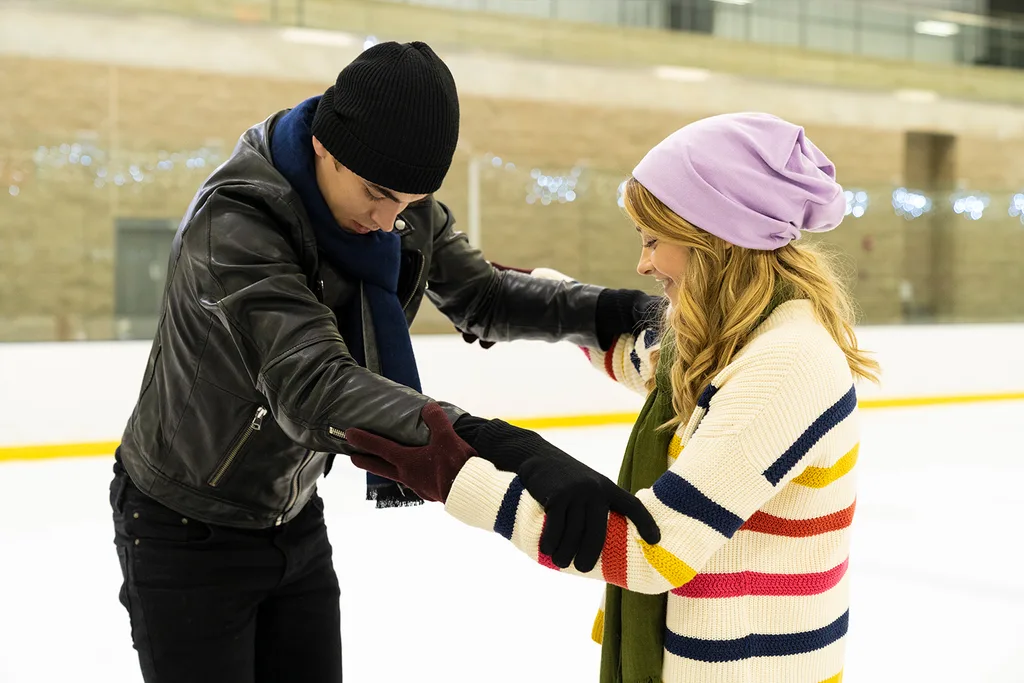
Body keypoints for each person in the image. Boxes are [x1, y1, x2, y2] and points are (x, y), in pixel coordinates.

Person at [109, 41, 662, 683]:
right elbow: (315, 384)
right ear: (324, 145)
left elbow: (483, 295)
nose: (389, 219)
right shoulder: (236, 226)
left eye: (409, 200)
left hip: (291, 515)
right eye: (377, 193)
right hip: (185, 527)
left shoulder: (400, 211)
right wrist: (509, 450)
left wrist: (622, 311)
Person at [345, 112, 882, 683]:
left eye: (654, 241)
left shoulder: (785, 364)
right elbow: (637, 351)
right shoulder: (732, 340)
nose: (643, 264)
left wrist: (460, 477)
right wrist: (515, 297)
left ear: (716, 237)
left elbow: (654, 547)